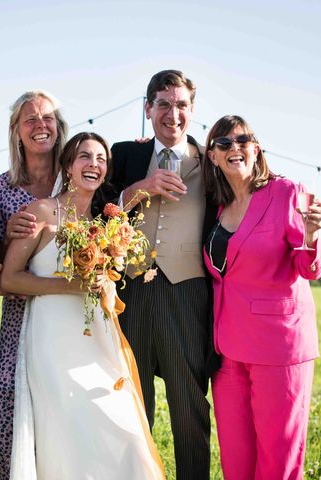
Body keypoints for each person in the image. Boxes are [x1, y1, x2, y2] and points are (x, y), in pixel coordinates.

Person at [1, 132, 165, 480]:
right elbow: (10, 279)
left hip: (98, 338)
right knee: (68, 432)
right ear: (68, 166)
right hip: (52, 338)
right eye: (85, 157)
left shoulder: (106, 225)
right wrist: (71, 285)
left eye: (101, 159)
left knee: (126, 431)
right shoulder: (41, 212)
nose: (94, 164)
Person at [201, 114, 321, 479]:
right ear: (212, 156)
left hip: (278, 348)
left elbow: (308, 268)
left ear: (256, 148)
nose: (234, 148)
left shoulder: (286, 192)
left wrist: (313, 236)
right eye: (224, 143)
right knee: (236, 460)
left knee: (277, 460)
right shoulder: (218, 205)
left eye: (243, 140)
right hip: (227, 351)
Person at [107, 69, 217, 479]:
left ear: (192, 110)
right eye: (164, 104)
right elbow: (101, 205)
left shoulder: (211, 161)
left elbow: (251, 180)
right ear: (148, 108)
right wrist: (142, 187)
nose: (173, 114)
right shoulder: (125, 154)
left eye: (182, 105)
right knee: (133, 402)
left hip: (186, 293)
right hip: (129, 292)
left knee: (189, 403)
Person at [0, 89, 68, 479]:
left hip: (71, 316)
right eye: (30, 119)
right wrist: (6, 249)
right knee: (10, 398)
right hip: (21, 314)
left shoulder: (80, 177)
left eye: (48, 117)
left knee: (65, 406)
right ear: (16, 131)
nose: (40, 125)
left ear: (59, 127)